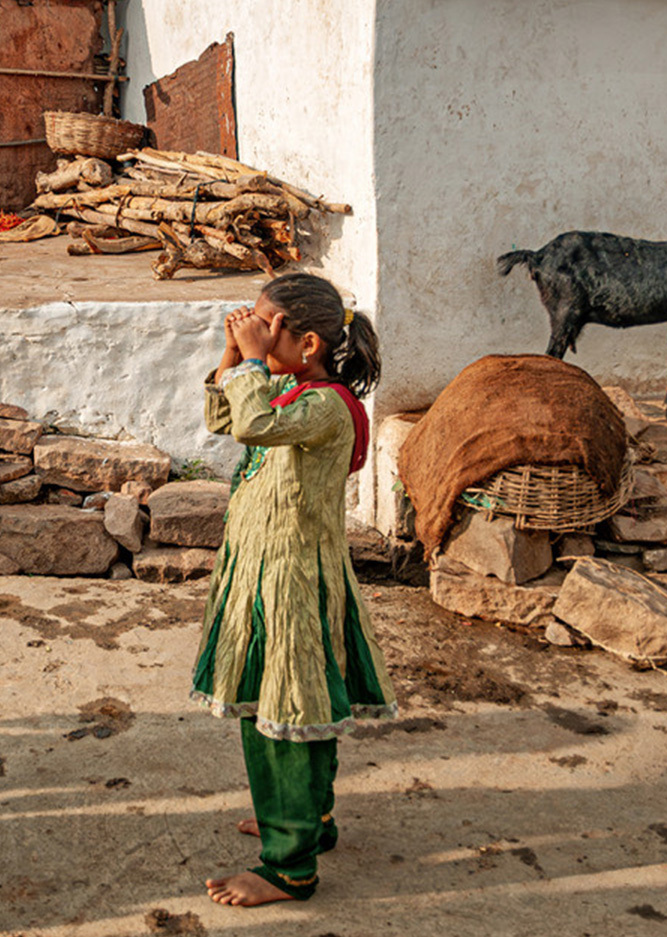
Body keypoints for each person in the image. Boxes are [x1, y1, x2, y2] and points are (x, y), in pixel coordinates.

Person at [194, 273, 396, 907]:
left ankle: (289, 866)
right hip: (264, 566)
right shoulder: (288, 385)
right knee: (296, 701)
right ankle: (309, 817)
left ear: (305, 342)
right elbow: (222, 416)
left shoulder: (326, 405)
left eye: (265, 322)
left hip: (290, 575)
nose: (253, 328)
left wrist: (252, 362)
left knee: (279, 711)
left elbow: (253, 423)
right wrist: (236, 356)